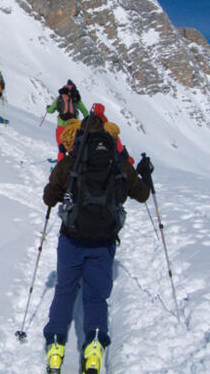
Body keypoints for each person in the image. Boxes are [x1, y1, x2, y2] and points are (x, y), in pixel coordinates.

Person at [39, 111, 153, 373]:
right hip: (103, 241)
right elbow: (143, 194)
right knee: (96, 297)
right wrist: (144, 173)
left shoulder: (71, 161)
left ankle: (55, 350)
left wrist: (57, 183)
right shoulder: (117, 162)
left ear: (80, 133)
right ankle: (93, 353)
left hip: (72, 239)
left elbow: (49, 198)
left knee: (65, 290)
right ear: (106, 132)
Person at [48, 82, 89, 160]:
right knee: (73, 148)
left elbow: (51, 110)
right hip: (74, 127)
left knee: (61, 148)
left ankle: (61, 167)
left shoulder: (60, 97)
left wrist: (48, 108)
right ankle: (72, 166)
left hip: (61, 127)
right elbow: (85, 112)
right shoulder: (76, 98)